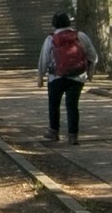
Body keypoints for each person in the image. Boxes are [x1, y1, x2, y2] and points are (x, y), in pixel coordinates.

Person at [36, 10, 96, 142]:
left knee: (54, 104)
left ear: (53, 24)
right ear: (69, 22)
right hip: (77, 76)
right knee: (72, 105)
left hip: (56, 76)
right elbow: (93, 56)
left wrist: (40, 76)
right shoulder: (80, 36)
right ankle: (73, 135)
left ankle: (54, 131)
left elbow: (44, 58)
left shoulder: (51, 38)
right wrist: (90, 72)